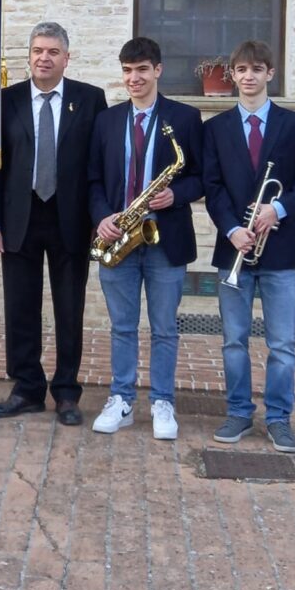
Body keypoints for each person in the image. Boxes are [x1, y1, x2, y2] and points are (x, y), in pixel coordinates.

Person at [0, 21, 107, 425]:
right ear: (29, 55)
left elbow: (97, 165)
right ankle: (27, 388)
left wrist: (98, 216)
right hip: (20, 219)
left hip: (72, 220)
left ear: (66, 58)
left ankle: (67, 393)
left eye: (52, 51)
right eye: (37, 50)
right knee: (20, 308)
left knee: (69, 309)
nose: (44, 58)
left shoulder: (90, 100)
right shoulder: (7, 101)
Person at [203, 40, 295, 453]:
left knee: (283, 343)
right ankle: (238, 412)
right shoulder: (214, 129)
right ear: (232, 76)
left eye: (257, 69)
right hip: (233, 248)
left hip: (281, 249)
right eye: (241, 70)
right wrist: (233, 228)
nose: (248, 76)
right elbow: (211, 187)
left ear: (271, 74)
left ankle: (278, 418)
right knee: (234, 339)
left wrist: (279, 209)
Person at [88, 37, 204, 440]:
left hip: (164, 235)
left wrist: (178, 194)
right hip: (119, 236)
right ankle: (121, 399)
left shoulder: (185, 118)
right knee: (122, 327)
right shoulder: (106, 120)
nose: (133, 78)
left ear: (158, 70)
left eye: (141, 70)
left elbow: (202, 176)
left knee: (164, 328)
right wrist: (102, 216)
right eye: (127, 70)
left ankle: (162, 402)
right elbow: (93, 179)